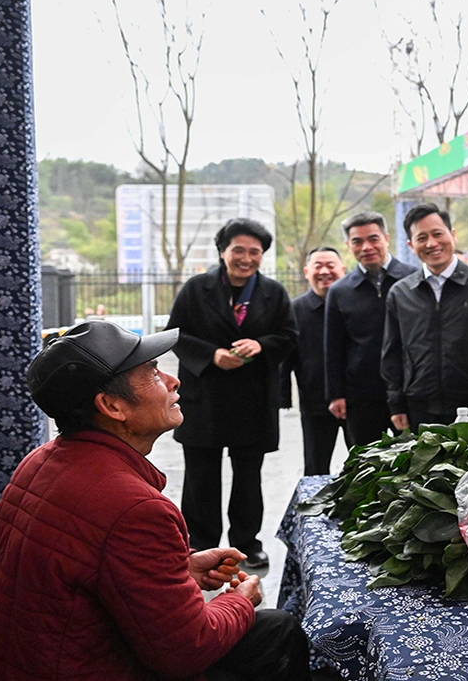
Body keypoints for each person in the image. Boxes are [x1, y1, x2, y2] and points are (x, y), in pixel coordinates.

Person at [0, 321, 310, 680]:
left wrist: (180, 571)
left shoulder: (39, 461)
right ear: (112, 406)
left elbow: (83, 577)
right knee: (276, 631)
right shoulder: (135, 509)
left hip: (34, 659)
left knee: (270, 630)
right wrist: (240, 600)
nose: (173, 381)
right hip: (88, 667)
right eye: (152, 372)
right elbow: (187, 651)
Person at [166, 218, 298, 570]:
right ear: (222, 251)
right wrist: (212, 355)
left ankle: (246, 544)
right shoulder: (196, 289)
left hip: (252, 400)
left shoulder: (274, 293)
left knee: (248, 478)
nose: (246, 257)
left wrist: (260, 344)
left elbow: (288, 336)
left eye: (254, 251)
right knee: (200, 478)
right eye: (238, 249)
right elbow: (175, 334)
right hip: (204, 398)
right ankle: (200, 544)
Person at [383, 203, 468, 441]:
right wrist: (396, 404)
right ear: (411, 246)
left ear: (452, 235)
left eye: (437, 234)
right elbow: (392, 352)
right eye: (422, 238)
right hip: (420, 406)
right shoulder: (400, 293)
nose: (432, 243)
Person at [325, 212, 416, 446]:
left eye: (373, 239)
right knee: (364, 465)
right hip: (361, 394)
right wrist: (336, 393)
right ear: (348, 245)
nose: (366, 247)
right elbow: (333, 346)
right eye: (357, 241)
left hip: (409, 390)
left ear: (386, 238)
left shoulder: (413, 280)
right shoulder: (340, 291)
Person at [281, 246, 345, 475]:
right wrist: (283, 396)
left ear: (343, 269)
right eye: (318, 266)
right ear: (307, 271)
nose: (325, 271)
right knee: (315, 465)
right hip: (314, 400)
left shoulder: (352, 301)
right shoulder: (295, 309)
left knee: (364, 464)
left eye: (331, 265)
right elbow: (285, 356)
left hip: (356, 400)